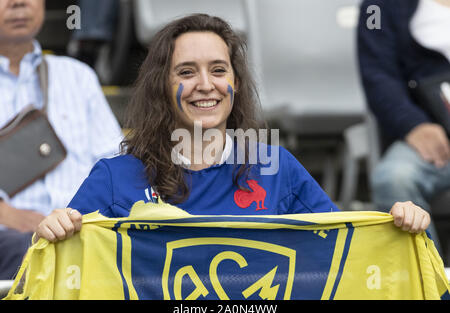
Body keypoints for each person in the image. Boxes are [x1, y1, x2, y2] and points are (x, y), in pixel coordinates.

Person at [36, 14, 431, 245]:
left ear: (235, 83)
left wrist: (397, 225)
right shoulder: (114, 177)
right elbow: (61, 266)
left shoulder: (276, 167)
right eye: (186, 72)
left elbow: (345, 249)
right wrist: (49, 233)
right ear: (161, 85)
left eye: (218, 70)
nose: (205, 85)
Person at [0, 0, 123, 279]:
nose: (18, 3)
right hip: (11, 246)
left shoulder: (78, 76)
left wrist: (81, 220)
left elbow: (114, 163)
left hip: (84, 235)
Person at [357, 0, 450, 243]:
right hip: (430, 133)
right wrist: (413, 125)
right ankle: (427, 280)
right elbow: (377, 77)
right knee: (393, 179)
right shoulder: (377, 8)